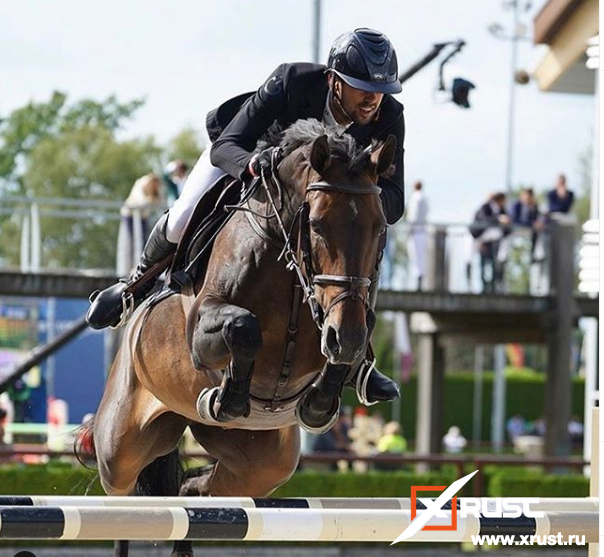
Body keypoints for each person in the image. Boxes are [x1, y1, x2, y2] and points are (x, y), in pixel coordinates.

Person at [87, 28, 405, 404]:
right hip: (250, 158)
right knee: (182, 213)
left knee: (362, 238)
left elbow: (395, 199)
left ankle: (359, 360)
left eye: (382, 90)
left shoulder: (390, 116)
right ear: (335, 81)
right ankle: (134, 286)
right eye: (360, 86)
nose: (373, 99)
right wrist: (253, 163)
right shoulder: (292, 81)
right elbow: (227, 146)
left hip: (321, 200)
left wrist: (357, 201)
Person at [120, 173, 166, 269]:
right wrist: (150, 200)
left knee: (144, 241)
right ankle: (129, 267)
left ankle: (140, 266)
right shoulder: (141, 183)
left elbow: (162, 202)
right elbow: (140, 200)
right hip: (131, 215)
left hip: (143, 216)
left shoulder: (157, 188)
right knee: (131, 241)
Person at [470, 192, 511, 293]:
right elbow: (483, 221)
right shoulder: (485, 207)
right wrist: (498, 219)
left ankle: (493, 288)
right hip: (480, 240)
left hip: (494, 243)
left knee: (493, 265)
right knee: (483, 265)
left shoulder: (502, 210)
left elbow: (507, 228)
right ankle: (483, 288)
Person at [406, 180, 429, 290]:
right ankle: (419, 278)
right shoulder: (424, 198)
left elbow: (413, 216)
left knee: (415, 256)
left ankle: (417, 280)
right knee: (421, 256)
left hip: (416, 231)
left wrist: (410, 229)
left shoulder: (415, 198)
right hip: (423, 230)